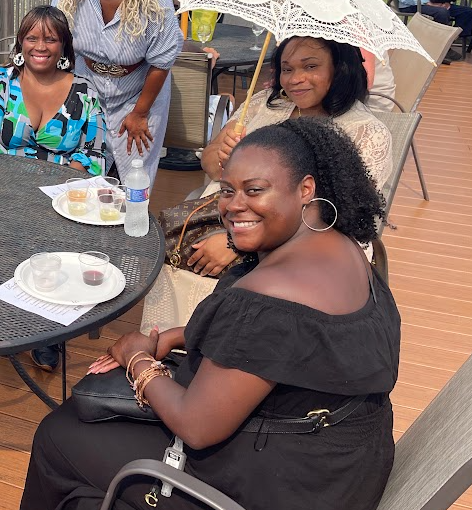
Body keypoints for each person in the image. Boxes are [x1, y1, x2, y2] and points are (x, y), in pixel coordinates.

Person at [22, 118, 399, 510]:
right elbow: (297, 344)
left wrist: (136, 356)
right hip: (344, 460)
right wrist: (182, 334)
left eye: (255, 191)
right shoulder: (344, 248)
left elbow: (197, 427)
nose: (234, 206)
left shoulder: (269, 294)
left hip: (284, 484)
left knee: (59, 434)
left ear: (306, 189)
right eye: (227, 190)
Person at [190, 36, 392, 278]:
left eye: (310, 66)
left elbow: (340, 216)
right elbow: (210, 164)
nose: (295, 79)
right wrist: (223, 159)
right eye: (287, 69)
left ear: (339, 68)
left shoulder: (365, 133)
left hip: (311, 251)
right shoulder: (263, 106)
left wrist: (234, 242)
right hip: (227, 221)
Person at [52, 0, 182, 184]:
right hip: (87, 87)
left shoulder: (155, 0)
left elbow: (162, 62)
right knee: (81, 169)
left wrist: (140, 112)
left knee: (134, 175)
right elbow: (57, 40)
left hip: (139, 92)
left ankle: (131, 223)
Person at [0, 6, 107, 175]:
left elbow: (93, 154)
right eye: (32, 39)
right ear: (21, 42)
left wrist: (65, 188)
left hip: (61, 192)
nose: (40, 47)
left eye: (50, 40)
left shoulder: (85, 93)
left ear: (64, 45)